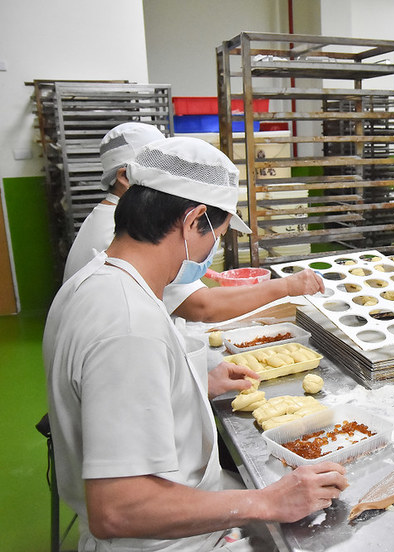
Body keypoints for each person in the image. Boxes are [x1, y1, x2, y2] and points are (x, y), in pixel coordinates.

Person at [44, 137, 348, 551]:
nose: (213, 250)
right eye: (218, 235)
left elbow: (108, 396)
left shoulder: (99, 280)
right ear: (193, 220)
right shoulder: (129, 324)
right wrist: (268, 501)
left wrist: (189, 386)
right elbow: (118, 508)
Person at [62, 123, 324, 322]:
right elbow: (201, 305)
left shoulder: (110, 222)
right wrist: (287, 286)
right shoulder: (124, 238)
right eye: (217, 234)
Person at [63, 122, 165, 282]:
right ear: (125, 177)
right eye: (160, 169)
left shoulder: (110, 215)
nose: (170, 178)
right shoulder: (122, 230)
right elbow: (196, 304)